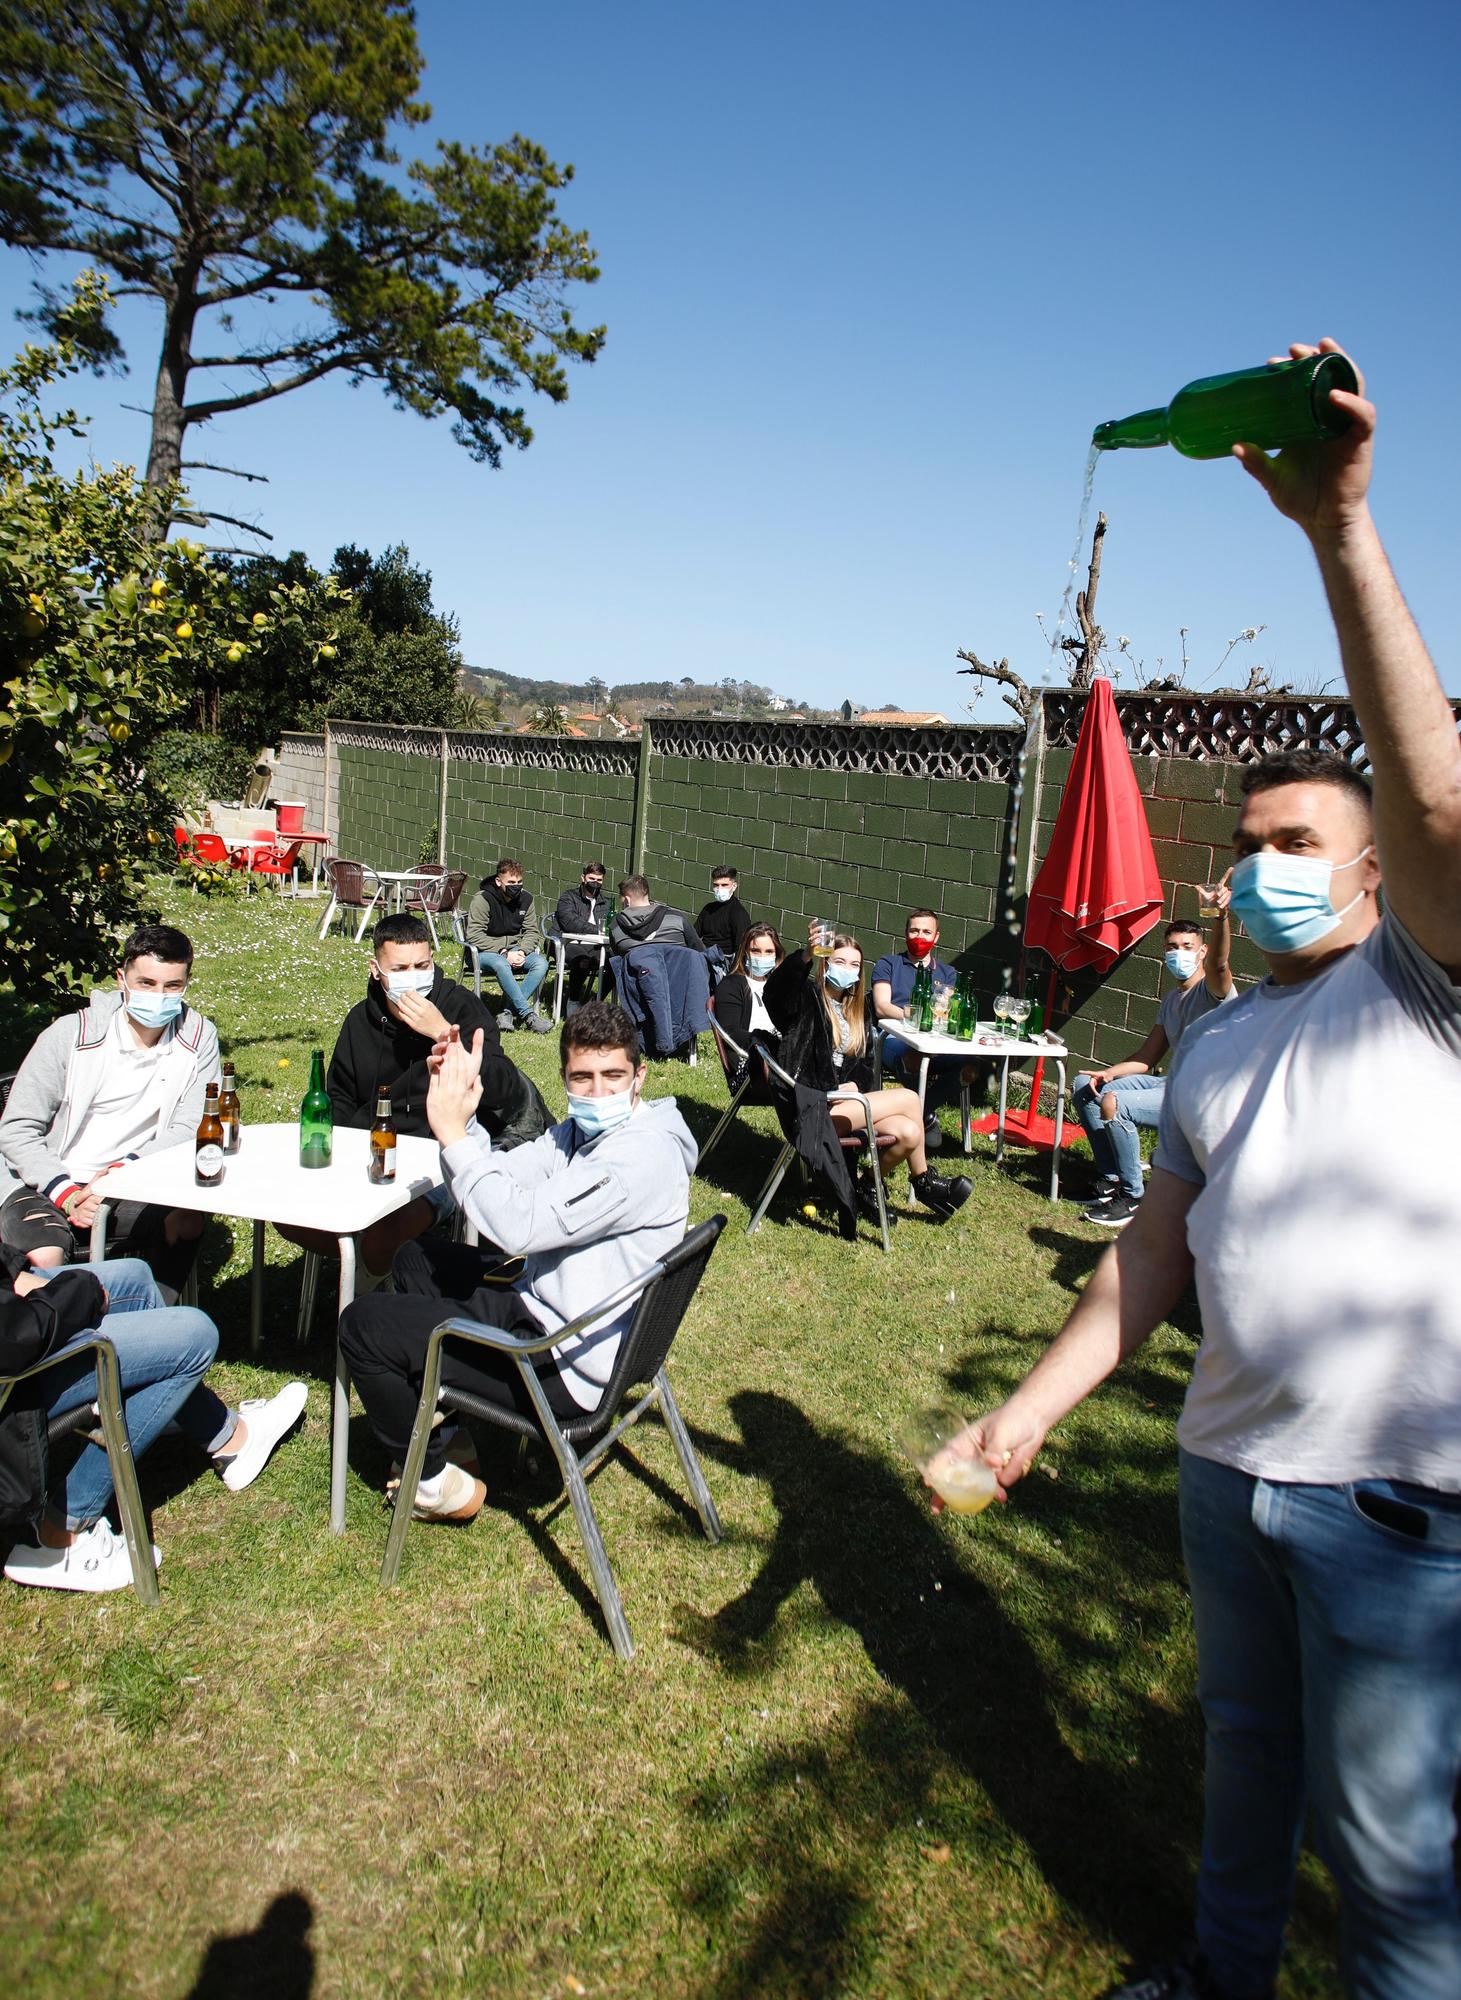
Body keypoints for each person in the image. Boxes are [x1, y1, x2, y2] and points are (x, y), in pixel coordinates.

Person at [931, 342, 1461, 2000]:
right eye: (1244, 845)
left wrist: (1337, 532)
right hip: (1225, 1471)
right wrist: (1027, 1413)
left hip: (1392, 1506)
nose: (1255, 869)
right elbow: (1147, 1258)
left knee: (1391, 1861)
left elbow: (1439, 796)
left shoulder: (1426, 990)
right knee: (1242, 1769)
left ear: (1375, 877)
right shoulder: (1217, 1042)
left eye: (1297, 845)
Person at [337, 1002, 696, 1522]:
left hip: (564, 1365)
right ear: (564, 1078)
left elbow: (516, 1226)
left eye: (613, 1076)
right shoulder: (582, 1133)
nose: (598, 1092)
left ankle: (436, 1484)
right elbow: (500, 1179)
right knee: (417, 1257)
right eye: (583, 1078)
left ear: (639, 1076)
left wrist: (453, 1134)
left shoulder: (637, 1159)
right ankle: (452, 1432)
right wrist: (466, 1119)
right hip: (555, 1314)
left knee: (362, 1326)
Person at [2, 1256, 305, 1593]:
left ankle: (225, 1438)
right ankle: (64, 1531)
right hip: (15, 1380)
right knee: (195, 1336)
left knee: (137, 1281)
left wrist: (15, 1277)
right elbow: (14, 1338)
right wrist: (76, 1296)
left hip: (13, 1316)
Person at [279, 913, 549, 1278]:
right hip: (374, 1151)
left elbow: (498, 1083)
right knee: (289, 1217)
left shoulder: (458, 1006)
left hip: (439, 1157)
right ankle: (368, 1271)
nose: (413, 976)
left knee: (381, 1239)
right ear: (377, 969)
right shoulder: (361, 1020)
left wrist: (442, 1034)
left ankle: (369, 1284)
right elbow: (340, 1098)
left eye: (422, 965)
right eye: (401, 968)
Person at [0, 924, 217, 1295]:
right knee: (45, 1257)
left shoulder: (199, 1038)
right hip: (44, 1182)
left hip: (134, 1178)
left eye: (172, 986)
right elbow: (18, 1127)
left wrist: (120, 1173)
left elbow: (191, 1124)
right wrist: (66, 1192)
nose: (159, 996)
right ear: (122, 979)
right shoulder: (71, 1035)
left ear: (186, 983)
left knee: (186, 1220)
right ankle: (63, 1340)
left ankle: (156, 1317)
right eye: (146, 983)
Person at [763, 923, 972, 1221]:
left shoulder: (858, 1011)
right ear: (825, 964)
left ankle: (866, 1187)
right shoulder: (806, 1000)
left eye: (854, 965)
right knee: (911, 1099)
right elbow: (775, 995)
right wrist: (806, 954)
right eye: (839, 961)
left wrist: (853, 1084)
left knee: (910, 1132)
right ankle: (923, 1181)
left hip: (843, 1104)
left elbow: (864, 1068)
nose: (847, 969)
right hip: (812, 1108)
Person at [1072, 898, 1234, 1229]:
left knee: (1116, 1104)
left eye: (1188, 946)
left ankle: (1133, 1197)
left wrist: (1220, 917)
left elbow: (1220, 964)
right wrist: (1108, 1074)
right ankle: (1111, 1179)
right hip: (1173, 1083)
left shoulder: (1212, 991)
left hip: (1205, 1095)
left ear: (1202, 951)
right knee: (1085, 1088)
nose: (1179, 953)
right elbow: (1148, 1058)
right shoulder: (1172, 1000)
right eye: (1172, 947)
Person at [870, 908, 971, 1148]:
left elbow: (949, 1012)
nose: (920, 936)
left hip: (936, 1040)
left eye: (927, 932)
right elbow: (882, 1007)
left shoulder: (948, 973)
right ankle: (926, 1117)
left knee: (971, 1066)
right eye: (915, 930)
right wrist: (914, 1015)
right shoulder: (889, 964)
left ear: (936, 937)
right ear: (906, 933)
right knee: (913, 1058)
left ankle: (920, 1114)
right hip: (893, 1037)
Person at [464, 858, 552, 1033]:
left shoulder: (526, 899)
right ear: (498, 881)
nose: (516, 886)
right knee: (500, 963)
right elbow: (474, 935)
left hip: (515, 949)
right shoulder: (483, 899)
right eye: (511, 882)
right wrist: (503, 952)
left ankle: (508, 1013)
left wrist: (521, 950)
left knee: (541, 963)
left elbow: (532, 931)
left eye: (519, 882)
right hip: (482, 952)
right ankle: (528, 1015)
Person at [711, 924, 784, 1102]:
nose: (762, 957)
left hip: (784, 1058)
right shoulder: (731, 986)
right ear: (745, 952)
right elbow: (731, 1032)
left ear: (777, 955)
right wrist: (768, 1043)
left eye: (768, 951)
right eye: (755, 951)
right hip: (751, 1065)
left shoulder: (782, 988)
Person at [553, 860, 612, 1011]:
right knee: (583, 961)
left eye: (599, 880)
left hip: (593, 944)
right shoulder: (569, 897)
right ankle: (573, 1001)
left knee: (616, 963)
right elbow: (571, 923)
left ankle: (593, 1004)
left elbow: (611, 924)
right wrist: (599, 930)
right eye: (592, 879)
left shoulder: (605, 902)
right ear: (583, 878)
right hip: (567, 941)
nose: (595, 883)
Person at [609, 876, 705, 956]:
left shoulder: (616, 927)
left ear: (627, 900)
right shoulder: (677, 919)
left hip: (639, 977)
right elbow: (700, 951)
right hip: (677, 977)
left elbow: (618, 957)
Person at [696, 865, 752, 961]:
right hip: (702, 956)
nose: (719, 889)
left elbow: (742, 949)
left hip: (723, 961)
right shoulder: (708, 909)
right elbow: (694, 935)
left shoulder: (739, 913)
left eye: (724, 885)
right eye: (716, 885)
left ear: (734, 886)